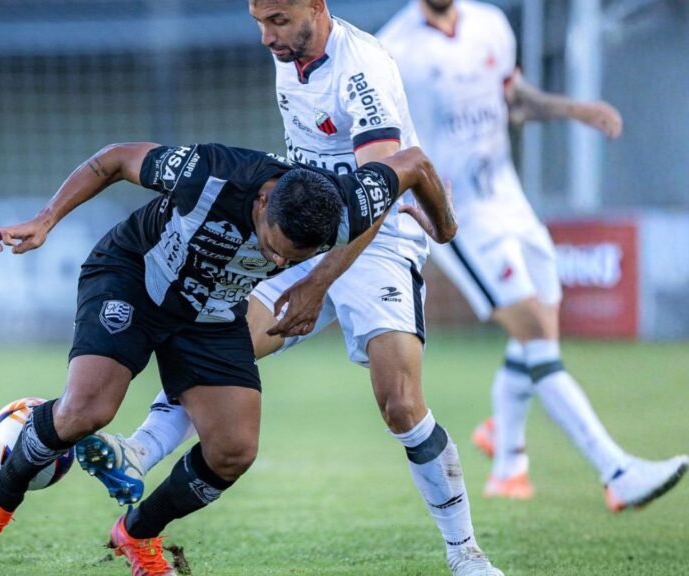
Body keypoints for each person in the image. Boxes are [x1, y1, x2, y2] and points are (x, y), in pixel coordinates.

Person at [75, 1, 506, 575]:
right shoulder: (290, 52)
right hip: (299, 227)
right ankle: (139, 450)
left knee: (400, 402)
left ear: (316, 6)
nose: (265, 36)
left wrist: (319, 282)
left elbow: (376, 194)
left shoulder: (362, 71)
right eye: (258, 21)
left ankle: (465, 553)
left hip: (372, 240)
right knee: (222, 339)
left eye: (277, 20)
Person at [0, 140, 456, 576]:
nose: (278, 262)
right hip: (135, 278)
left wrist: (445, 228)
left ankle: (137, 533)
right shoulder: (211, 171)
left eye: (293, 259)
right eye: (276, 248)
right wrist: (46, 219)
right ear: (263, 200)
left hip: (211, 312)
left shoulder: (344, 204)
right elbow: (115, 159)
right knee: (87, 411)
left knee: (234, 450)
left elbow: (415, 164)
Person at [377, 0, 687, 508]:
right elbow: (383, 145)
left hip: (510, 201)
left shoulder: (490, 24)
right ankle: (617, 470)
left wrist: (574, 109)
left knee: (543, 324)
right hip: (458, 218)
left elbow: (511, 99)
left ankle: (507, 462)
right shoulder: (395, 49)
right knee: (537, 338)